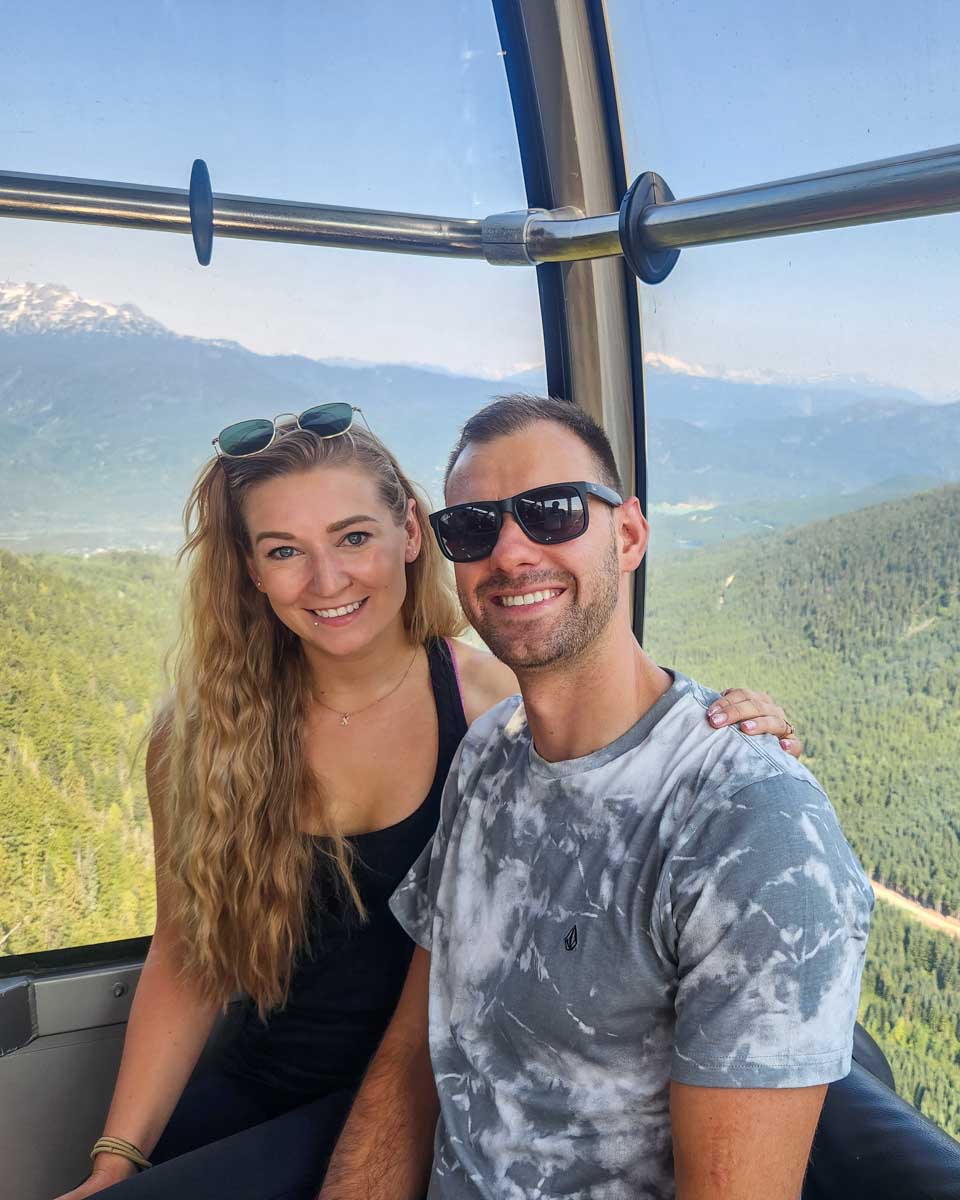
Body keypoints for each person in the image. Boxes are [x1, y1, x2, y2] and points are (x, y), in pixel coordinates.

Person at [57, 406, 801, 1200]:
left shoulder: (497, 714)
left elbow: (615, 717)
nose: (328, 580)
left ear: (410, 533)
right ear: (249, 569)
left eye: (353, 537)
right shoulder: (204, 736)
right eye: (285, 552)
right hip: (269, 1085)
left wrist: (744, 729)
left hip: (433, 1100)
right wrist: (118, 1154)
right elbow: (186, 955)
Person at [319, 395, 874, 1200]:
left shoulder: (748, 824)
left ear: (630, 534)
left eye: (551, 512)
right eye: (473, 527)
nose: (509, 552)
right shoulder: (489, 755)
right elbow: (415, 1052)